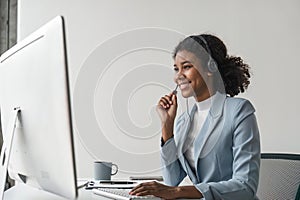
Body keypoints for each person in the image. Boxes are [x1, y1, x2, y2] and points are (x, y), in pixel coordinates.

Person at [130, 34, 261, 199]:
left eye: (186, 67)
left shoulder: (239, 111)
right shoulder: (183, 122)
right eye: (176, 69)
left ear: (210, 68)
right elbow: (172, 182)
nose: (178, 76)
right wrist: (167, 128)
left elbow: (245, 186)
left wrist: (178, 192)